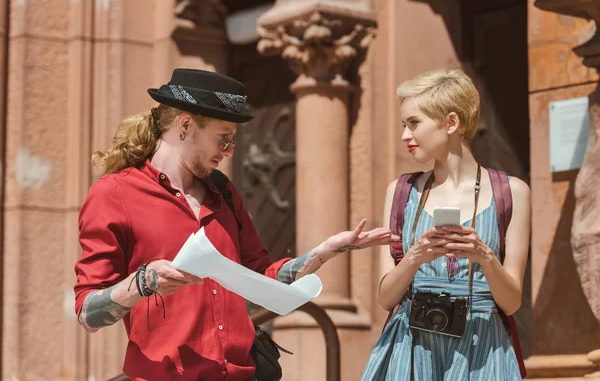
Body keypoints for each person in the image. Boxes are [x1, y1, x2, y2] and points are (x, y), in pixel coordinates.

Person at [74, 68, 400, 381]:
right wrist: (144, 282)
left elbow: (261, 278)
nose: (229, 152)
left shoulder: (224, 192)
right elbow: (88, 314)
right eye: (223, 139)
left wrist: (325, 252)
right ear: (185, 125)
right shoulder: (113, 194)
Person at [361, 69, 530, 380]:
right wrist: (414, 258)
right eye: (403, 125)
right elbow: (386, 298)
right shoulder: (401, 192)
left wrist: (484, 256)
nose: (404, 135)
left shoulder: (513, 192)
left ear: (451, 122)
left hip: (483, 349)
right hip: (410, 347)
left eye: (413, 123)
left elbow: (511, 304)